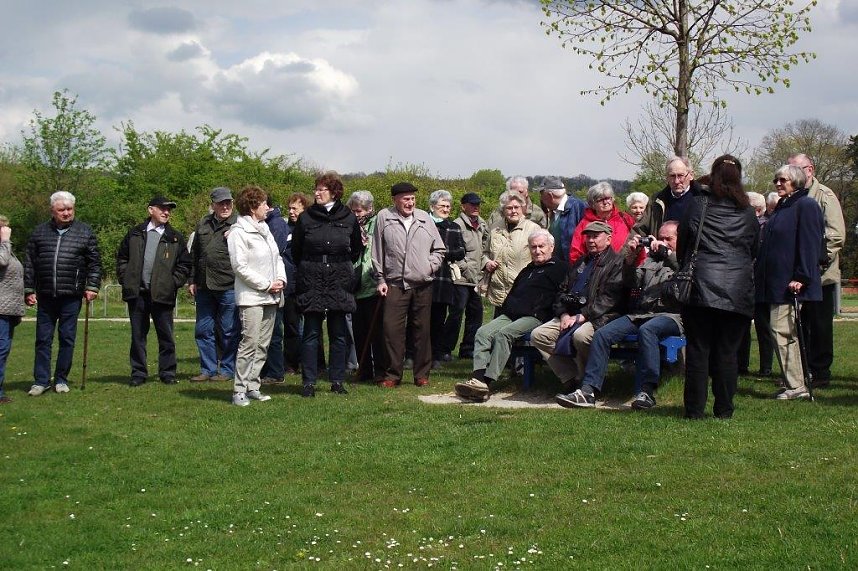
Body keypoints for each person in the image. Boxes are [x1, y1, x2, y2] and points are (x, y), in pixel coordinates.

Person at [556, 221, 682, 410]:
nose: (663, 242)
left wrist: (670, 255)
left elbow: (684, 281)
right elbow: (631, 282)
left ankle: (647, 391)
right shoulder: (651, 260)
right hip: (640, 314)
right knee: (602, 334)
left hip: (671, 315)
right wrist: (630, 259)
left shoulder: (686, 259)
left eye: (668, 239)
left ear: (679, 240)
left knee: (648, 330)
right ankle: (588, 391)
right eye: (660, 238)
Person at [678, 155, 759, 419]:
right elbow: (754, 249)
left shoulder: (698, 204)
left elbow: (683, 243)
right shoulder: (748, 212)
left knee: (698, 350)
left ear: (712, 175)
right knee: (727, 352)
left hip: (701, 285)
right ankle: (724, 409)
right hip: (737, 290)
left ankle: (694, 410)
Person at [454, 229, 567, 401]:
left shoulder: (559, 268)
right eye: (533, 247)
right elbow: (514, 292)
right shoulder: (528, 270)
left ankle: (486, 381)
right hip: (512, 313)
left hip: (536, 316)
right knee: (482, 333)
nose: (537, 251)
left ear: (552, 247)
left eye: (541, 246)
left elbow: (561, 295)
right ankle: (477, 377)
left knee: (504, 335)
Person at [533, 221, 624, 406]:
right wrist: (564, 313)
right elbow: (562, 290)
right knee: (538, 335)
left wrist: (583, 315)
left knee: (581, 335)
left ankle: (587, 384)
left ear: (608, 239)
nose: (590, 240)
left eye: (595, 236)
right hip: (571, 315)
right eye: (588, 236)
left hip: (601, 316)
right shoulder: (581, 262)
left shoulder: (617, 263)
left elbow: (610, 298)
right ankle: (572, 378)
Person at [755, 165, 824, 400]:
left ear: (795, 181)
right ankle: (793, 382)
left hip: (791, 283)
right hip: (777, 282)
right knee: (782, 331)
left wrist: (802, 276)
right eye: (776, 179)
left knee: (782, 330)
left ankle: (796, 385)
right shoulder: (785, 206)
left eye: (782, 180)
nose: (777, 183)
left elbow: (809, 243)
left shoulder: (806, 205)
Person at [291, 172, 362, 397]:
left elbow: (356, 249)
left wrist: (337, 265)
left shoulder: (348, 217)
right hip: (311, 277)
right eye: (316, 188)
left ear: (334, 192)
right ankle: (309, 382)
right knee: (311, 331)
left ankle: (337, 380)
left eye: (322, 189)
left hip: (339, 278)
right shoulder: (306, 217)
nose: (316, 193)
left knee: (338, 332)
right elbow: (297, 250)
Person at [24, 191, 102, 395]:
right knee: (43, 339)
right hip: (46, 294)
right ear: (52, 210)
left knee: (67, 338)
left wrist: (92, 287)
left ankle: (61, 379)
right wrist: (29, 289)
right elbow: (30, 263)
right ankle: (41, 380)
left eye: (70, 209)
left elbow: (94, 263)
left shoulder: (85, 232)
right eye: (62, 210)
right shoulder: (39, 232)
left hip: (72, 295)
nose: (66, 213)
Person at [372, 181, 446, 388]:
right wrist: (380, 279)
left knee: (422, 330)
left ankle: (421, 374)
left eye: (412, 198)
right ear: (395, 199)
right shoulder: (384, 217)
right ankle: (392, 374)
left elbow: (439, 249)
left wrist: (428, 267)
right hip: (395, 283)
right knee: (391, 330)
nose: (410, 202)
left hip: (422, 284)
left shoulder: (424, 218)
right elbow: (376, 251)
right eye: (406, 198)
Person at [117, 196, 192, 386]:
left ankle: (167, 373)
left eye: (169, 209)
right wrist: (127, 279)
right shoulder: (135, 233)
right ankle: (138, 374)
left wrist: (172, 283)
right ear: (151, 210)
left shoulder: (174, 237)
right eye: (162, 209)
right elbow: (122, 259)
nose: (166, 212)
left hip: (163, 294)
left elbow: (184, 265)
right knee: (138, 337)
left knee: (166, 337)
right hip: (138, 294)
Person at [788, 153, 846, 388]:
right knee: (800, 324)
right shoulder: (794, 198)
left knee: (820, 325)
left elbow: (836, 235)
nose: (791, 174)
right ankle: (802, 369)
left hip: (821, 275)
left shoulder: (825, 196)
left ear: (809, 169)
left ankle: (820, 371)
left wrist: (815, 261)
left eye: (796, 169)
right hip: (799, 273)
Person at [227, 186, 287, 406]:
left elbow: (277, 257)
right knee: (249, 343)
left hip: (271, 295)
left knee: (263, 344)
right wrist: (266, 284)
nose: (267, 208)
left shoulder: (264, 228)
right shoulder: (238, 232)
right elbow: (239, 267)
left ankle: (253, 385)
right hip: (252, 297)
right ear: (252, 207)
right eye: (263, 204)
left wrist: (280, 280)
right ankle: (238, 390)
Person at [188, 187, 239, 383]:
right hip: (204, 286)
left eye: (228, 202)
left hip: (228, 285)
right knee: (203, 330)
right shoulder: (203, 223)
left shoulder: (238, 224)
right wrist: (192, 280)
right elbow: (195, 255)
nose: (225, 206)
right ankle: (207, 369)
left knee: (228, 330)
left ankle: (227, 369)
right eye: (221, 203)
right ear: (213, 205)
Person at [347, 190, 386, 383]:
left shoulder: (378, 223)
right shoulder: (349, 225)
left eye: (360, 211)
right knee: (359, 332)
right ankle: (363, 371)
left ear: (369, 209)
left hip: (373, 283)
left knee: (377, 332)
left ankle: (380, 371)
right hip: (355, 284)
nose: (356, 214)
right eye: (353, 210)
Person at [482, 191, 541, 311]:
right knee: (497, 327)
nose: (513, 211)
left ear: (522, 208)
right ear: (503, 210)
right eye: (509, 208)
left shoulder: (533, 229)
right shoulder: (494, 228)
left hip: (522, 290)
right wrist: (487, 262)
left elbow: (541, 257)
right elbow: (485, 252)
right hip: (499, 292)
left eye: (516, 207)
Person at [260, 196, 297, 384]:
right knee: (267, 329)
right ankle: (268, 369)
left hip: (276, 283)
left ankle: (275, 371)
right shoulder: (267, 223)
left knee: (274, 329)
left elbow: (274, 254)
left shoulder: (275, 224)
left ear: (268, 205)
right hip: (268, 283)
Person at [427, 190, 466, 367]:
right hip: (424, 277)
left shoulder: (454, 227)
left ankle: (435, 355)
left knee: (438, 319)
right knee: (418, 319)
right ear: (432, 207)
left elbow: (461, 251)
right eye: (442, 205)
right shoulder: (423, 224)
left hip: (443, 279)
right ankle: (412, 355)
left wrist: (442, 253)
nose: (445, 209)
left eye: (448, 206)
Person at [447, 192, 487, 359]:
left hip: (476, 279)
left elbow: (484, 249)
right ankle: (445, 349)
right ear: (463, 206)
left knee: (476, 313)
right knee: (456, 314)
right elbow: (452, 253)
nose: (476, 207)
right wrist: (466, 269)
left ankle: (468, 348)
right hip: (460, 278)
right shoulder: (456, 225)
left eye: (478, 204)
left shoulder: (482, 224)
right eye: (472, 204)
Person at [739, 192, 775, 377]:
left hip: (759, 281)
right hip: (745, 281)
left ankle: (765, 366)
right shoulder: (746, 226)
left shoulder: (766, 227)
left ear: (758, 210)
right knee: (743, 326)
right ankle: (742, 365)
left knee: (763, 326)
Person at [567, 182, 636, 264]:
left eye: (608, 198)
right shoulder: (585, 224)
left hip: (624, 269)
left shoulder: (625, 218)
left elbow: (637, 241)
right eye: (600, 200)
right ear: (592, 204)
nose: (606, 202)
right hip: (596, 272)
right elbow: (576, 252)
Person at [636, 156, 705, 237]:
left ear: (691, 175)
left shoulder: (704, 198)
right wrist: (635, 242)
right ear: (667, 177)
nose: (676, 181)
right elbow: (639, 230)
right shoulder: (656, 200)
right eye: (672, 176)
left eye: (680, 175)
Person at [0, 215, 25, 404]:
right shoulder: (4, 247)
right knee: (1, 349)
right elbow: (2, 262)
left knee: (4, 350)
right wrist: (5, 241)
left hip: (9, 309)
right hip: (1, 309)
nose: (7, 230)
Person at [538, 176, 586, 262]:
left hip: (574, 267)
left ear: (550, 196)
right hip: (559, 267)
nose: (541, 199)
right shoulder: (554, 212)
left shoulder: (578, 207)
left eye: (541, 195)